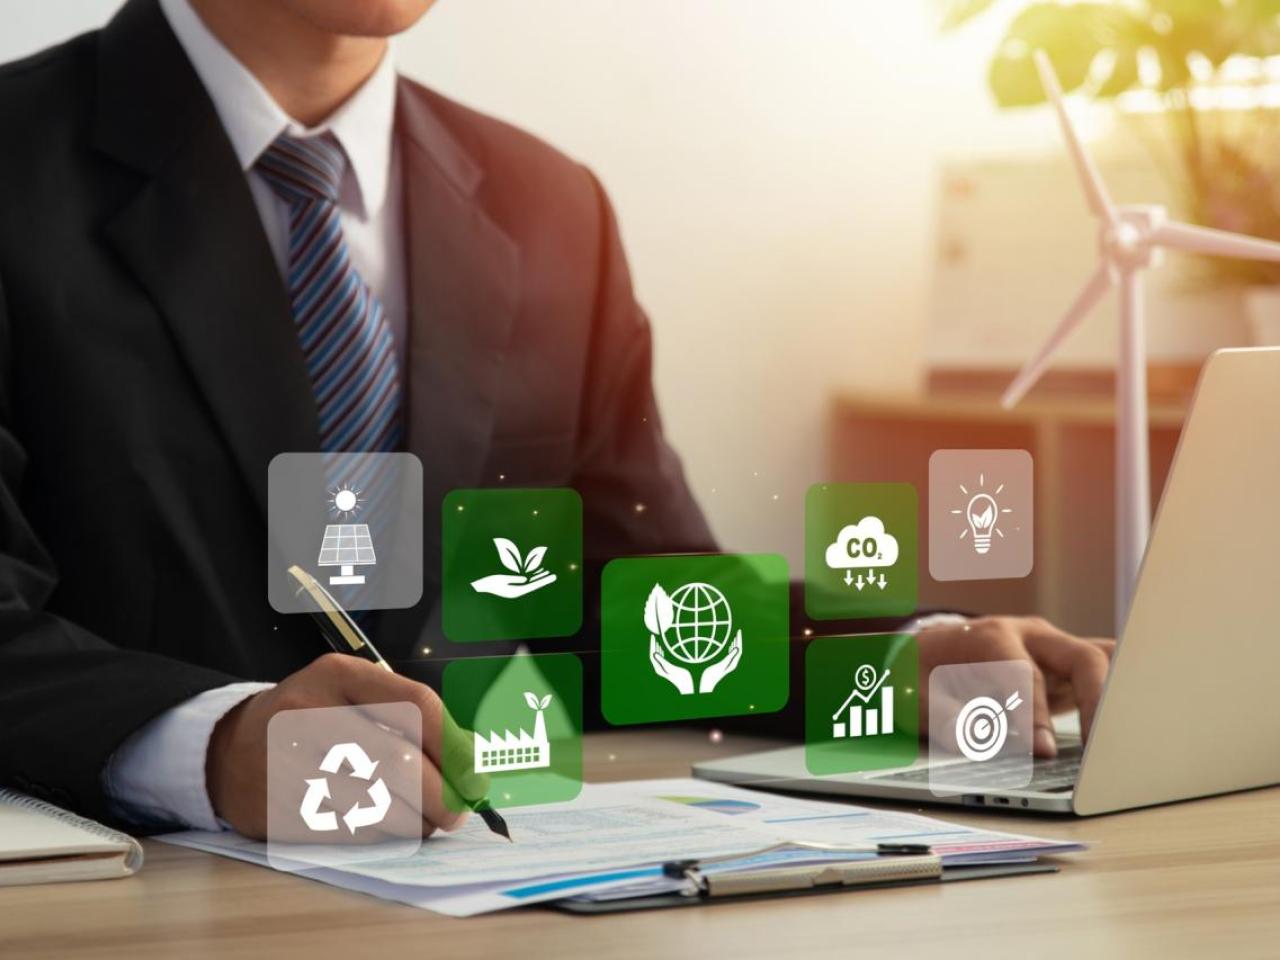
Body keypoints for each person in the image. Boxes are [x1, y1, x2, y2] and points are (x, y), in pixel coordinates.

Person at [0, 0, 1113, 841]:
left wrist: (892, 658)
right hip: (138, 906)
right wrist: (215, 743)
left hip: (486, 888)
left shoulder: (544, 203)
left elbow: (623, 594)